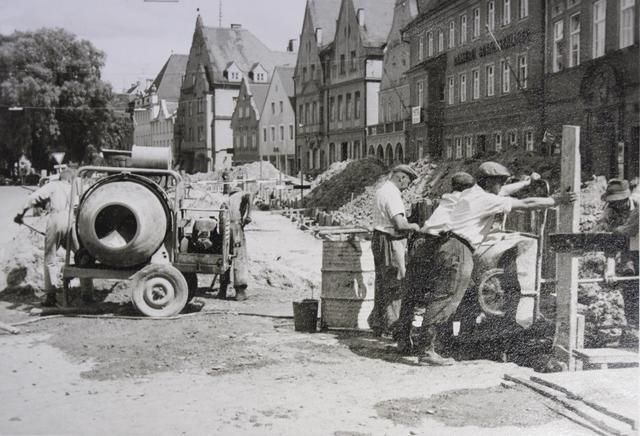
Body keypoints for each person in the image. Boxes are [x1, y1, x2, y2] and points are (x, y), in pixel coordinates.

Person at [397, 162, 576, 366]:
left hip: (449, 246)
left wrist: (525, 183)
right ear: (489, 182)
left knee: (465, 295)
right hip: (458, 249)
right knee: (446, 296)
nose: (501, 187)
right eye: (499, 182)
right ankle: (427, 351)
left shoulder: (471, 193)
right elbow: (525, 204)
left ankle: (450, 341)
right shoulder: (484, 199)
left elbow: (504, 192)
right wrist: (555, 200)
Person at [396, 171, 475, 354]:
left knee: (411, 296)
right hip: (436, 247)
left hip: (421, 245)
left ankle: (403, 341)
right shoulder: (464, 203)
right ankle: (429, 348)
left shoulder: (446, 200)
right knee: (443, 295)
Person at [14, 169, 94, 307]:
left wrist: (20, 214)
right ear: (71, 179)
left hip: (57, 219)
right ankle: (87, 294)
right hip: (74, 221)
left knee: (50, 257)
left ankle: (51, 295)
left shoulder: (53, 186)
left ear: (60, 178)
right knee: (81, 256)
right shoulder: (78, 187)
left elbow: (32, 198)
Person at [368, 164, 420, 337]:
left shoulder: (381, 190)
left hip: (379, 237)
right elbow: (399, 224)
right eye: (408, 182)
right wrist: (416, 226)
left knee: (382, 282)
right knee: (395, 284)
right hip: (390, 240)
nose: (407, 187)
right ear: (401, 178)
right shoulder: (392, 194)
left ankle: (378, 323)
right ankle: (394, 326)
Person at [601, 179, 639, 333]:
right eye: (613, 203)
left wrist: (620, 231)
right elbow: (611, 244)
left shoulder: (638, 206)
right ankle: (634, 328)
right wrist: (609, 269)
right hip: (628, 250)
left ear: (627, 198)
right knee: (629, 283)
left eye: (620, 202)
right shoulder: (610, 213)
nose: (618, 206)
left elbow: (631, 230)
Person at [219, 183, 252, 301]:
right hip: (236, 228)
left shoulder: (226, 201)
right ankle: (240, 291)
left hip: (226, 228)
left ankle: (222, 289)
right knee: (239, 257)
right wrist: (249, 215)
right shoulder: (240, 195)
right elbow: (249, 195)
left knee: (225, 257)